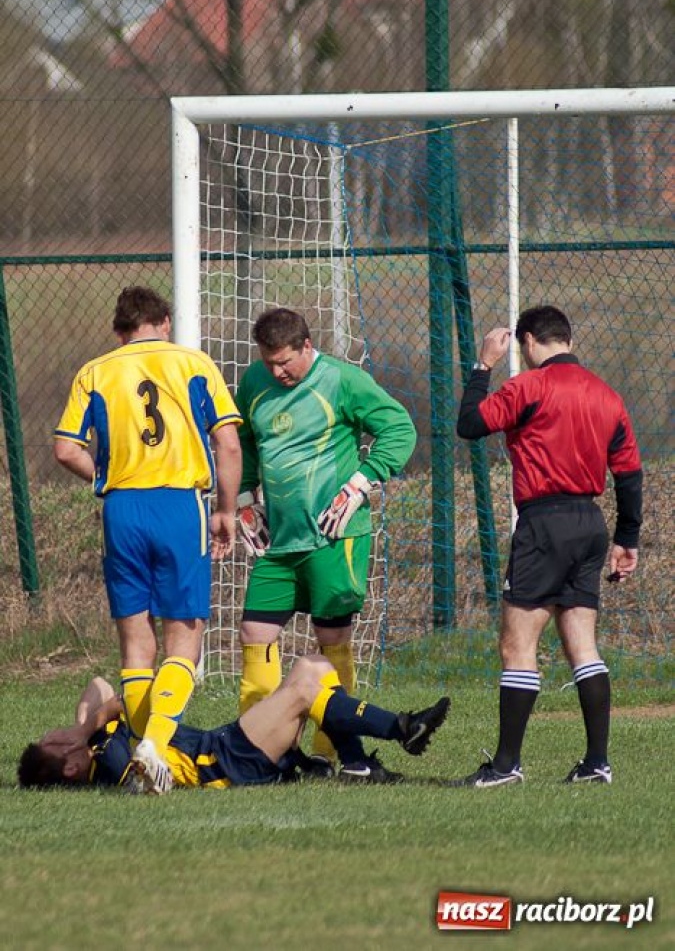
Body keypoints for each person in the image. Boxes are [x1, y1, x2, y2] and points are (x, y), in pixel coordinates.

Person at [53, 285, 243, 795]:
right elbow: (227, 441)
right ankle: (154, 748)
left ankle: (143, 760)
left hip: (123, 508)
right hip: (180, 506)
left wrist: (105, 476)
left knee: (137, 641)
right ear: (164, 320)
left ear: (119, 331)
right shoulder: (193, 363)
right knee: (187, 633)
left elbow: (65, 449)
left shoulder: (96, 371)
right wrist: (226, 509)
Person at [452, 305, 642, 787]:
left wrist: (483, 366)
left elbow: (470, 424)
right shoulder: (608, 396)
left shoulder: (528, 387)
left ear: (529, 341)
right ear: (570, 339)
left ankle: (505, 766)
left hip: (544, 523)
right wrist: (627, 539)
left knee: (517, 645)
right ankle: (598, 762)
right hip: (589, 524)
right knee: (582, 644)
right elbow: (629, 473)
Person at [234, 307, 417, 782]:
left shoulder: (342, 380)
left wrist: (360, 484)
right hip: (279, 544)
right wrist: (244, 496)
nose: (277, 372)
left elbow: (400, 428)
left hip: (333, 538)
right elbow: (246, 442)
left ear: (307, 346)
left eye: (285, 363)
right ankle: (260, 748)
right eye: (269, 363)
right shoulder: (254, 382)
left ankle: (332, 754)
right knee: (255, 633)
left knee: (329, 642)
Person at [17, 659, 450, 791]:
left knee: (313, 668)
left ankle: (357, 764)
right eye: (53, 745)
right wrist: (90, 730)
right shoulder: (112, 762)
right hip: (229, 762)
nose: (54, 735)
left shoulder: (89, 743)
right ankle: (401, 728)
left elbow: (97, 686)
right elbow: (113, 701)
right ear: (70, 768)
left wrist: (78, 729)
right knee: (303, 690)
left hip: (226, 744)